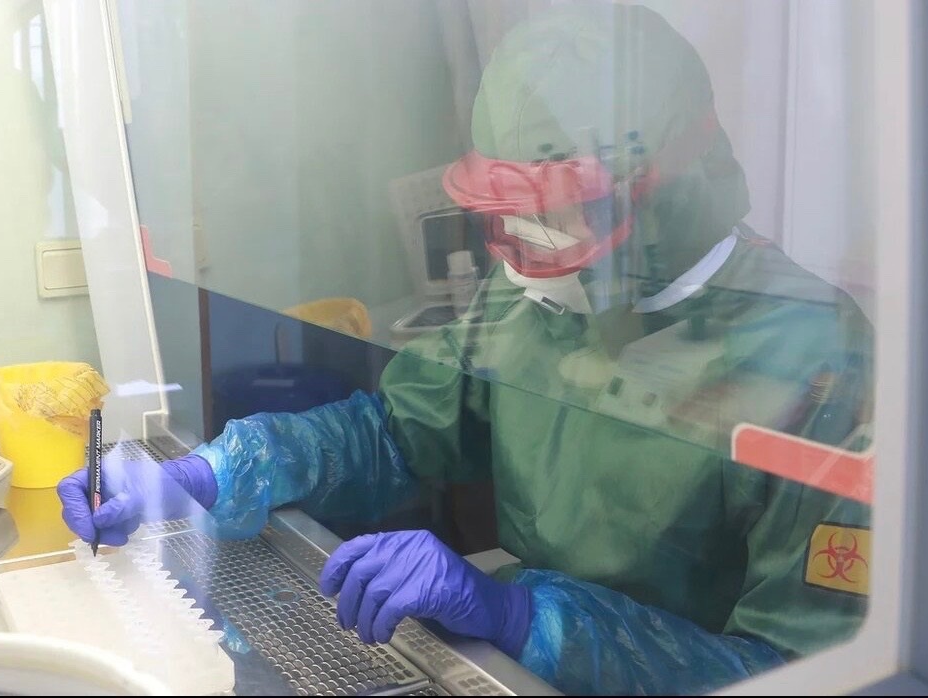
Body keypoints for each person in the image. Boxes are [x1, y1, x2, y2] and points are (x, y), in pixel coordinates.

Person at [59, 4, 873, 695]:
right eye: (506, 218)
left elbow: (798, 672)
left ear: (660, 195)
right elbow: (396, 431)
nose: (523, 254)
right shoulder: (543, 294)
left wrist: (525, 616)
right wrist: (217, 472)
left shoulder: (820, 360)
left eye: (553, 218)